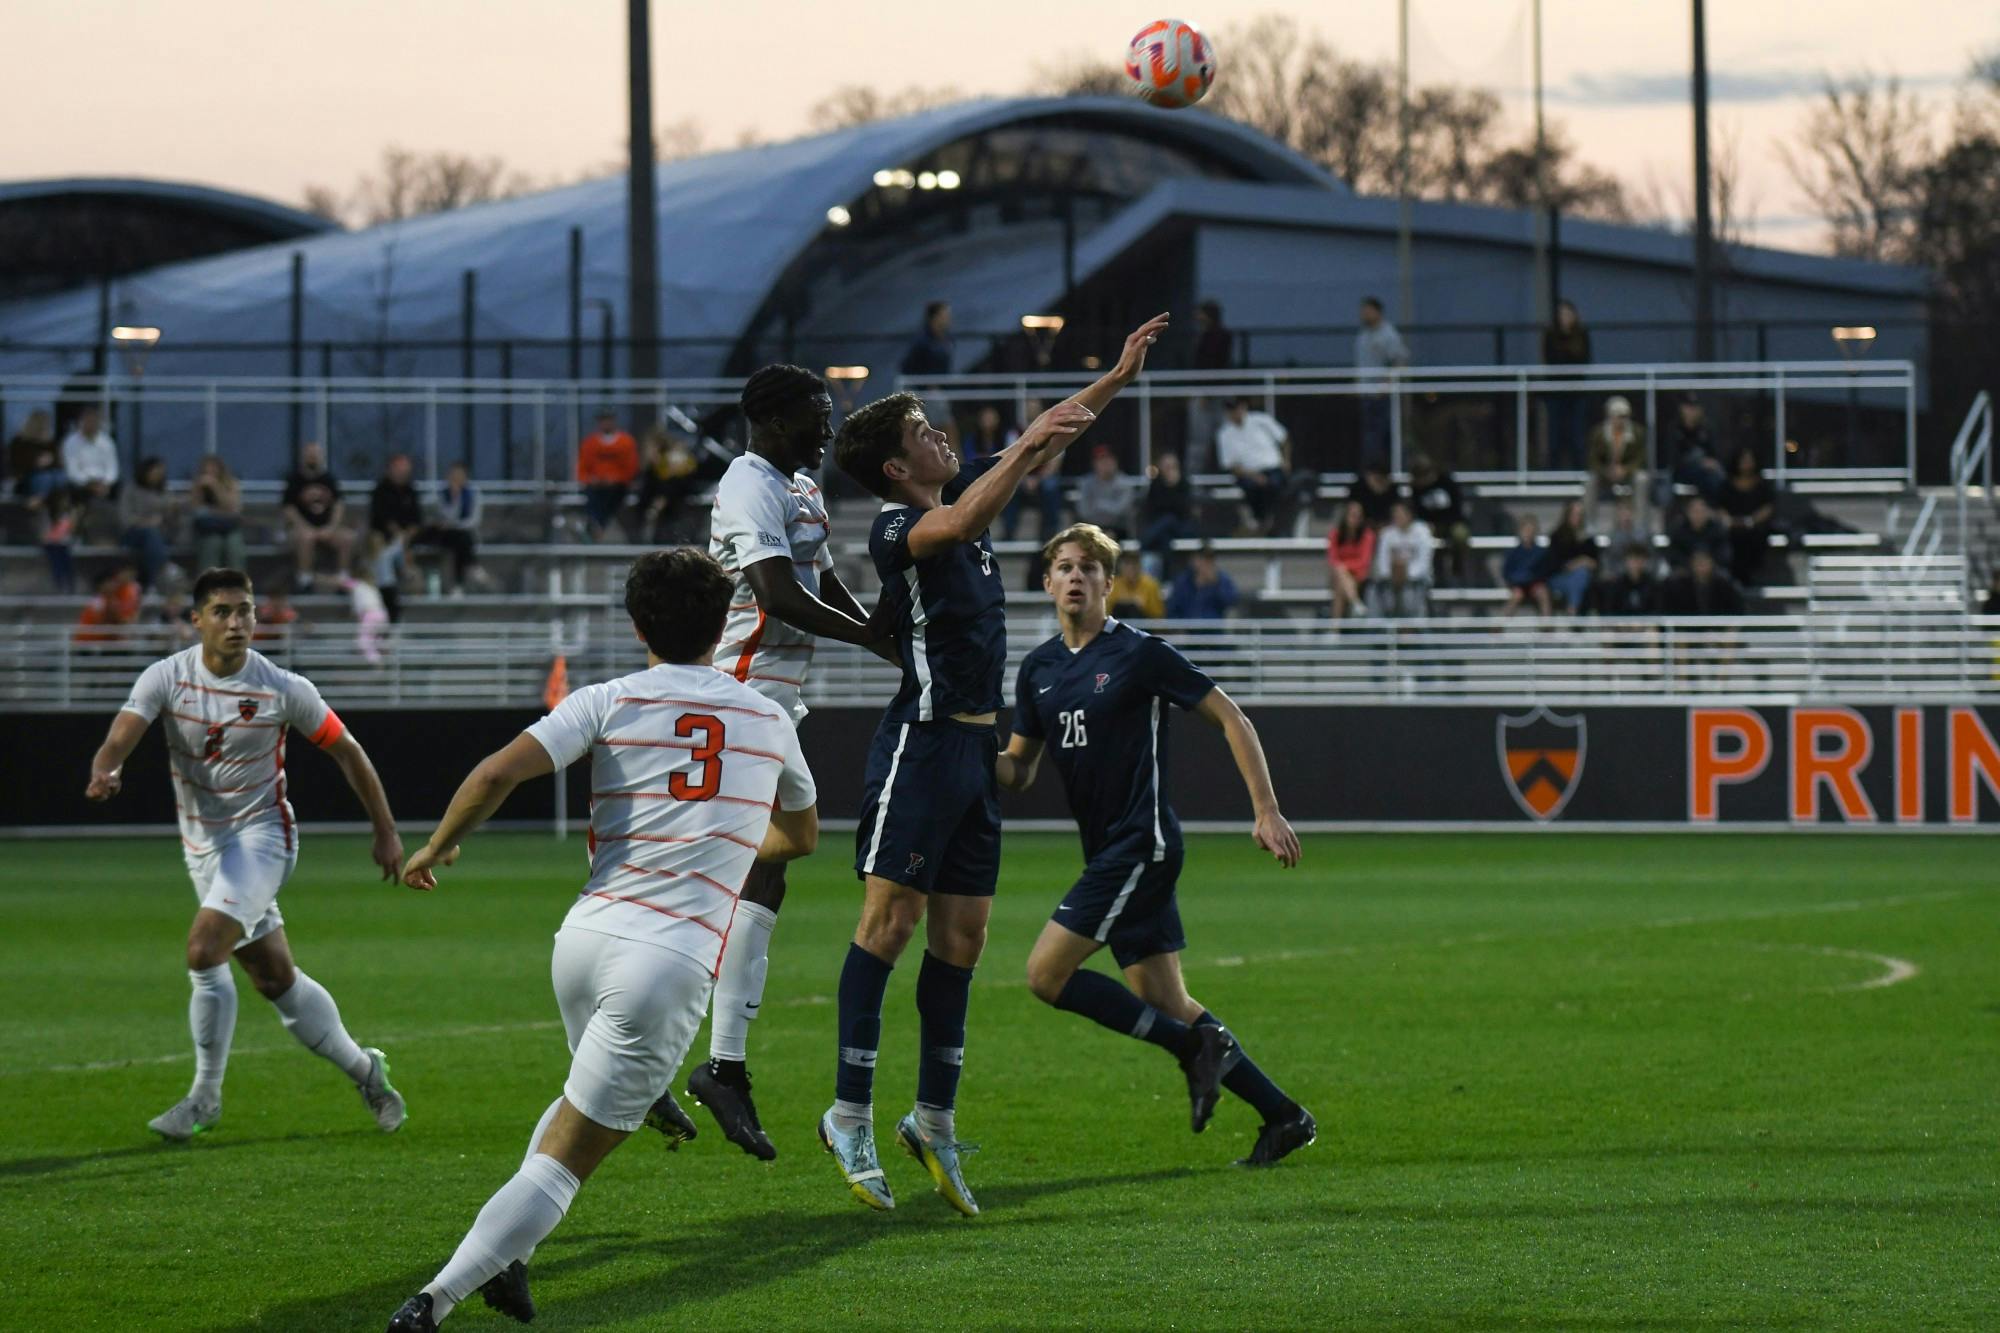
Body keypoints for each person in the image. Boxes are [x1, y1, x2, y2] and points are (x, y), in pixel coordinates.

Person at [384, 550, 820, 1332]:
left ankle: (511, 1264)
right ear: (725, 625)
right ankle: (433, 1301)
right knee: (568, 1159)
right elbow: (799, 835)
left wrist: (438, 843)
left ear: (635, 623)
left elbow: (493, 774)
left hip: (582, 940)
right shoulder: (768, 716)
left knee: (571, 1108)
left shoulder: (608, 698)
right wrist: (717, 841)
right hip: (667, 960)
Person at [824, 313, 1168, 1216]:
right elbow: (991, 489)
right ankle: (848, 1110)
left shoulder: (965, 493)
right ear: (898, 470)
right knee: (887, 925)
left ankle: (932, 1118)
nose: (941, 434)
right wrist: (1025, 446)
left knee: (964, 940)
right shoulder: (900, 529)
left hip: (977, 752)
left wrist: (1117, 376)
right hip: (923, 743)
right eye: (922, 433)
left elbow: (1045, 433)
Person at [997, 523, 1314, 1166]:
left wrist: (1266, 810)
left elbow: (1232, 716)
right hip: (1110, 852)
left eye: (1090, 567)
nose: (1076, 576)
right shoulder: (1037, 671)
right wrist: (971, 748)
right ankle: (1284, 1116)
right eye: (1064, 566)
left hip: (1143, 844)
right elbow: (1019, 772)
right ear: (1047, 582)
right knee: (1167, 1001)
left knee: (1045, 974)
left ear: (1110, 584)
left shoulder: (1139, 653)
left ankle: (1188, 1049)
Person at [83, 566, 406, 1143]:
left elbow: (350, 753)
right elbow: (123, 732)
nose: (237, 623)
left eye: (246, 611)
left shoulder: (282, 687)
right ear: (198, 621)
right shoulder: (167, 677)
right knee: (272, 976)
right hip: (202, 848)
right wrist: (107, 767)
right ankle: (366, 1070)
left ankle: (204, 1097)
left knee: (204, 950)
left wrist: (385, 830)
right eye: (223, 612)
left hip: (264, 839)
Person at [686, 364, 889, 1159]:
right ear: (768, 419)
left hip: (776, 705)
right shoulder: (747, 485)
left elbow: (823, 579)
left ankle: (715, 1061)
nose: (829, 427)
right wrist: (872, 637)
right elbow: (773, 592)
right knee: (758, 869)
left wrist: (881, 635)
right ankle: (717, 1062)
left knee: (770, 863)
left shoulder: (799, 486)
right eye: (816, 413)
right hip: (740, 699)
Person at [282, 441, 353, 592]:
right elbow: (288, 509)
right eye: (310, 454)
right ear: (304, 457)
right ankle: (304, 581)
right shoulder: (294, 479)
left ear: (321, 457)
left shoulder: (329, 479)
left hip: (327, 529)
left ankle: (343, 580)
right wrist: (305, 528)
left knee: (347, 537)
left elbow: (339, 505)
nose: (313, 457)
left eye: (315, 454)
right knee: (306, 537)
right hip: (302, 530)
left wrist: (331, 528)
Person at [1215, 399, 1291, 536]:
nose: (1234, 413)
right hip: (1247, 474)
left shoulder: (1261, 420)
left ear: (1243, 407)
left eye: (1236, 408)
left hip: (1273, 469)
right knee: (1253, 487)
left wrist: (1286, 461)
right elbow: (1231, 466)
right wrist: (1254, 476)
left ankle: (1270, 524)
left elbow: (1284, 438)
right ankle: (1261, 523)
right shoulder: (1224, 434)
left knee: (1275, 485)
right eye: (1231, 410)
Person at [1540, 298, 1592, 471]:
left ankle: (1579, 470)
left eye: (1568, 314)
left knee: (1577, 434)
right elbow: (1551, 360)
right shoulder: (1551, 335)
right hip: (1556, 392)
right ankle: (1553, 473)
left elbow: (1584, 360)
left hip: (1577, 391)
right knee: (1555, 434)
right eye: (1562, 314)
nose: (1565, 317)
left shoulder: (1581, 335)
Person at [1355, 296, 1409, 459]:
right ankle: (1372, 472)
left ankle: (1398, 469)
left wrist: (1386, 386)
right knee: (1371, 435)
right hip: (1366, 394)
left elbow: (1400, 361)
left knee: (1387, 434)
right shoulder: (1363, 336)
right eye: (1362, 311)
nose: (1363, 315)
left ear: (1377, 312)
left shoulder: (1388, 334)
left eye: (1367, 311)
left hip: (1383, 395)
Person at [1716, 446, 1777, 585]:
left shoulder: (1762, 485)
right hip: (1731, 528)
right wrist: (1729, 521)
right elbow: (1719, 506)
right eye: (1743, 460)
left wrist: (1751, 521)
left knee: (1753, 537)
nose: (1746, 463)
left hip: (1755, 528)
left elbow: (1768, 507)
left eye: (1749, 460)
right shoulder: (1726, 485)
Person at [1407, 454, 1470, 586]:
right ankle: (1423, 575)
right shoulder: (1416, 488)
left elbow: (1457, 511)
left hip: (1452, 523)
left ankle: (1457, 566)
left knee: (1460, 534)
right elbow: (1417, 512)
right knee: (1419, 534)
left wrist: (1442, 523)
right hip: (1429, 525)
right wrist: (1427, 524)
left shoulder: (1447, 483)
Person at [117, 456, 179, 590]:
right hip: (133, 534)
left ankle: (151, 585)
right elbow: (125, 519)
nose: (158, 476)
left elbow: (172, 521)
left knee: (153, 539)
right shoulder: (131, 489)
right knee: (150, 533)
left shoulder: (165, 492)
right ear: (146, 471)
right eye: (156, 472)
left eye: (161, 473)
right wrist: (146, 522)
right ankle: (163, 570)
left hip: (161, 535)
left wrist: (171, 513)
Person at [576, 411, 639, 540]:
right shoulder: (590, 443)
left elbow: (631, 467)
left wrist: (616, 479)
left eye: (608, 419)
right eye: (602, 420)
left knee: (612, 496)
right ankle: (597, 526)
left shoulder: (625, 442)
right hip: (596, 485)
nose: (605, 423)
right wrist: (590, 479)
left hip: (617, 485)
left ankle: (598, 527)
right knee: (593, 495)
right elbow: (582, 468)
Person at [1367, 499, 1435, 619]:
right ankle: (1379, 630)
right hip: (1391, 579)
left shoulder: (1422, 532)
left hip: (1416, 580)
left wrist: (1404, 573)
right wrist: (1395, 574)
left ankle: (1411, 629)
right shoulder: (1387, 533)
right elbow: (1382, 563)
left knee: (1408, 592)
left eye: (1400, 514)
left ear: (1409, 515)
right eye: (1395, 514)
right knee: (1372, 590)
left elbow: (1424, 564)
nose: (1397, 517)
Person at [426, 462, 487, 590]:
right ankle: (473, 566)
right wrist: (455, 498)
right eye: (453, 475)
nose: (456, 479)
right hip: (446, 536)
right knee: (460, 540)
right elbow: (443, 515)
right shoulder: (442, 494)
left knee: (461, 539)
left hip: (465, 534)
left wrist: (454, 524)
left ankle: (458, 586)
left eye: (459, 476)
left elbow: (474, 521)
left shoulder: (474, 493)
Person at [1587, 396, 1647, 519]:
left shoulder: (1637, 432)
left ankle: (1641, 524)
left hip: (1628, 473)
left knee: (1642, 479)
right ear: (1610, 415)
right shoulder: (1598, 433)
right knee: (1590, 481)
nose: (1620, 420)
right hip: (1605, 474)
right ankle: (1589, 524)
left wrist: (1625, 469)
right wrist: (1606, 471)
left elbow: (1640, 457)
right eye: (1617, 415)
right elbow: (1592, 459)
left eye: (1624, 416)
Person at [637, 426, 699, 545]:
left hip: (676, 510)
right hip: (660, 514)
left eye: (651, 447)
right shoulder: (651, 471)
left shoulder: (674, 463)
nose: (648, 451)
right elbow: (646, 493)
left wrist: (661, 501)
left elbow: (681, 484)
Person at [1663, 394, 1725, 507]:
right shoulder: (1674, 428)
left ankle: (1713, 508)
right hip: (1681, 472)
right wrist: (1700, 462)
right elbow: (1673, 458)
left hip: (1704, 473)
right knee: (1709, 478)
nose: (1691, 411)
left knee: (1717, 475)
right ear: (1682, 409)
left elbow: (1714, 453)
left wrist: (1711, 462)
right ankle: (1711, 508)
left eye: (1694, 408)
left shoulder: (1706, 429)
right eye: (1688, 407)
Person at [1138, 451, 1195, 571]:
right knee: (1165, 538)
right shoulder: (1156, 485)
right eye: (1167, 467)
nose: (1170, 470)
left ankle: (1145, 542)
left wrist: (1173, 486)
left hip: (1181, 527)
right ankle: (1168, 576)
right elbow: (1153, 508)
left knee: (1169, 519)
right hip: (1162, 530)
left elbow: (1184, 510)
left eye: (1172, 466)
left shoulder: (1184, 484)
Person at [191, 455, 246, 575]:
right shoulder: (198, 485)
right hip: (207, 530)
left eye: (213, 468)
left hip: (230, 528)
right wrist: (198, 489)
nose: (210, 472)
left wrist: (215, 487)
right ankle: (208, 587)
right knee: (212, 543)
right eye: (206, 469)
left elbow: (233, 508)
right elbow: (195, 510)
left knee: (234, 547)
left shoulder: (231, 483)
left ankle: (237, 585)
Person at [1543, 499, 1600, 614]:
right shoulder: (1557, 536)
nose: (1577, 518)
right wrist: (1581, 561)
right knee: (1581, 574)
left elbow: (1596, 563)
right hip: (1559, 578)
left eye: (1580, 514)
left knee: (1582, 575)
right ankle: (1573, 609)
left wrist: (1581, 563)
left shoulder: (1588, 539)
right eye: (1574, 514)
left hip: (1583, 578)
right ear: (1567, 515)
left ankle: (1573, 608)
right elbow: (1556, 565)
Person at [61, 403, 120, 507]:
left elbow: (112, 467)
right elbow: (72, 470)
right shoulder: (71, 442)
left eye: (94, 421)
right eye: (88, 420)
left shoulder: (106, 442)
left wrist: (106, 483)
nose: (91, 424)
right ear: (80, 422)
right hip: (82, 484)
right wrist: (90, 484)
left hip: (104, 482)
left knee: (120, 489)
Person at [1073, 445, 1138, 539]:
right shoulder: (1086, 483)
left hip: (1118, 530)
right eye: (1101, 460)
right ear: (1094, 463)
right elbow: (1084, 512)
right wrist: (1109, 506)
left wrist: (1098, 504)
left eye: (1108, 459)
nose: (1105, 463)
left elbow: (1121, 510)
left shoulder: (1125, 482)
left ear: (1115, 462)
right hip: (1091, 529)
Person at [1326, 499, 1375, 620]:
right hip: (1338, 575)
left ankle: (1334, 630)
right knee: (1340, 578)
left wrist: (1344, 567)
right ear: (1345, 516)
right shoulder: (1335, 534)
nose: (1355, 519)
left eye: (1358, 516)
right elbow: (1332, 559)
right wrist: (1343, 569)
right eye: (1352, 515)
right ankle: (1355, 602)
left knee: (1340, 582)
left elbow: (1364, 561)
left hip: (1359, 575)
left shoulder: (1368, 535)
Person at [1660, 546, 1745, 616]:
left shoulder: (1724, 583)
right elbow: (1670, 610)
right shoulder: (1680, 585)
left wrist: (1729, 632)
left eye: (1704, 562)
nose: (1701, 567)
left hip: (1718, 631)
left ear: (1712, 563)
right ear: (1691, 564)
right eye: (1697, 563)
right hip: (1689, 631)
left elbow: (1738, 609)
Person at [1167, 543, 1239, 620]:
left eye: (1208, 559)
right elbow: (1172, 608)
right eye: (1201, 559)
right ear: (1194, 560)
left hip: (1213, 628)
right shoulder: (1183, 580)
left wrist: (1215, 583)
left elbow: (1231, 601)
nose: (1204, 563)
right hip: (1187, 627)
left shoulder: (1222, 579)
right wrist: (1178, 629)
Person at [75, 563, 143, 642]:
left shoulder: (113, 600)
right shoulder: (98, 602)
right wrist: (126, 620)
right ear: (102, 585)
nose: (114, 585)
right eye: (111, 582)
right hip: (88, 643)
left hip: (104, 641)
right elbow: (107, 621)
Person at [1501, 515, 1553, 617]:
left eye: (1531, 531)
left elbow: (1545, 571)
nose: (1528, 534)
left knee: (1543, 592)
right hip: (1518, 584)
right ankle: (1499, 625)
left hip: (1535, 584)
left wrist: (1533, 578)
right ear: (1520, 531)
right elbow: (1507, 572)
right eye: (1526, 530)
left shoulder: (1541, 552)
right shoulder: (1513, 552)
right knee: (1516, 595)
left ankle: (1547, 625)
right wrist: (1515, 581)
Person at [1593, 543, 1660, 617]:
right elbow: (1610, 609)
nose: (1635, 563)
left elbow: (1657, 609)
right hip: (1621, 625)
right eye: (1632, 559)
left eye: (1639, 559)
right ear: (1626, 561)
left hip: (1646, 624)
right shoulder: (1617, 584)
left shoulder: (1652, 584)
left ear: (1644, 561)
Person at [1667, 494, 1730, 569]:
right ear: (1687, 512)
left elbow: (1724, 553)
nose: (1698, 515)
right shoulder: (1678, 530)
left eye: (1702, 511)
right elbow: (1673, 554)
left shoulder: (1717, 529)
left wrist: (1707, 564)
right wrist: (1692, 564)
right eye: (1695, 511)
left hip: (1712, 570)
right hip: (1686, 569)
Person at [1108, 548, 1165, 618]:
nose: (1131, 567)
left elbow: (1158, 617)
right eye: (1127, 563)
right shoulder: (1114, 585)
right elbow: (1107, 613)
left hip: (1143, 627)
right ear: (1120, 566)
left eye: (1134, 563)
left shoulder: (1151, 585)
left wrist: (1142, 607)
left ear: (1140, 565)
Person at [7, 409, 54, 494]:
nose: (44, 427)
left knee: (60, 476)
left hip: (46, 474)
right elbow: (16, 464)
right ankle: (36, 502)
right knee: (45, 477)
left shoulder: (49, 443)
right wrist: (36, 462)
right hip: (26, 477)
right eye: (41, 425)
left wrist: (51, 460)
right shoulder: (19, 441)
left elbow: (57, 462)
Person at [1351, 457, 1401, 527]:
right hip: (1363, 526)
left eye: (1379, 478)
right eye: (1373, 477)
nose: (1376, 481)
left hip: (1387, 526)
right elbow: (1352, 510)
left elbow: (1395, 511)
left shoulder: (1392, 490)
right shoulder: (1359, 488)